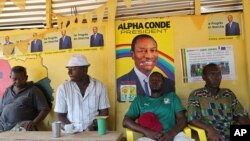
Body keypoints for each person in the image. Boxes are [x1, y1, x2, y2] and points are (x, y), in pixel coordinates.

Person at [187, 63, 250, 141]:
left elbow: (241, 115)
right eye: (212, 74)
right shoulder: (196, 95)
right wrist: (210, 129)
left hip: (232, 131)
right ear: (204, 77)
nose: (216, 78)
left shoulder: (228, 93)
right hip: (213, 133)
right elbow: (192, 119)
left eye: (218, 74)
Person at [123, 72, 192, 141]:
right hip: (149, 137)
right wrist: (147, 132)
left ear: (163, 83)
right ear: (148, 83)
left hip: (173, 135)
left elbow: (182, 118)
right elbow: (126, 121)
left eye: (158, 80)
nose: (155, 82)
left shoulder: (172, 97)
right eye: (152, 80)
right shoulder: (139, 100)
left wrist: (172, 133)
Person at [54, 54, 110, 132]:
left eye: (73, 69)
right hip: (70, 133)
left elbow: (104, 112)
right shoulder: (63, 88)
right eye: (68, 69)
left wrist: (93, 126)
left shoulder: (99, 86)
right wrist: (71, 130)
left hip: (94, 131)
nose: (69, 72)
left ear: (84, 69)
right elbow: (59, 116)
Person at [117, 34, 175, 102]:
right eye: (142, 51)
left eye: (153, 50)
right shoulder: (119, 83)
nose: (149, 56)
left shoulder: (169, 84)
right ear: (132, 54)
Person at [0, 66, 50, 132]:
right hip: (2, 126)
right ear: (10, 77)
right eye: (15, 79)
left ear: (26, 78)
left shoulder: (33, 91)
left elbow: (45, 110)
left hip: (20, 127)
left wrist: (34, 122)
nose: (17, 81)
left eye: (21, 79)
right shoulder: (7, 91)